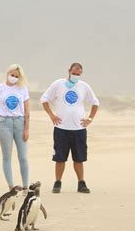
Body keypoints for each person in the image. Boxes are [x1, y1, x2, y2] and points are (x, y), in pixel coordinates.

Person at [40, 62, 99, 194]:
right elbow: (44, 99)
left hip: (79, 129)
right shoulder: (58, 84)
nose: (76, 76)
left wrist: (89, 119)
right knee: (60, 158)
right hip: (61, 128)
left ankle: (81, 183)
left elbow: (95, 102)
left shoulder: (84, 86)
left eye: (78, 74)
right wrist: (51, 115)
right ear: (69, 71)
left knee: (79, 158)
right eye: (74, 73)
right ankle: (57, 182)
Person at [0, 64, 30, 190]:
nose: (13, 77)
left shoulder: (22, 88)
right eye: (12, 75)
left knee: (23, 157)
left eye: (16, 76)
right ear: (8, 73)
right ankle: (11, 186)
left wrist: (26, 128)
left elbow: (27, 110)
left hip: (20, 122)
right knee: (7, 156)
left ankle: (25, 186)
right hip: (5, 123)